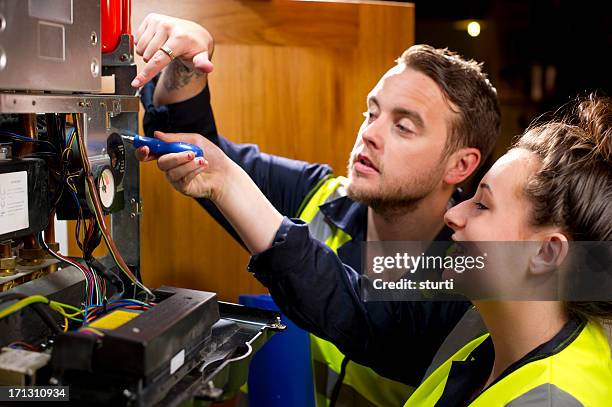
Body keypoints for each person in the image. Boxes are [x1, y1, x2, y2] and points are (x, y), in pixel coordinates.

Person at [143, 90, 612, 405]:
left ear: (548, 254)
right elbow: (368, 312)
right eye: (372, 112)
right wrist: (225, 180)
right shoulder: (485, 320)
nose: (456, 216)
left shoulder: (551, 395)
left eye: (483, 205)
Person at [132, 13, 501, 406]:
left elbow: (372, 320)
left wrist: (231, 184)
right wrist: (187, 67)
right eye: (371, 113)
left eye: (404, 127)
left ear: (460, 166)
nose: (369, 135)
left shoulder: (475, 270)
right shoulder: (319, 195)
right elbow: (198, 146)